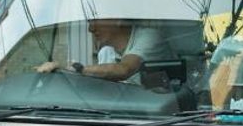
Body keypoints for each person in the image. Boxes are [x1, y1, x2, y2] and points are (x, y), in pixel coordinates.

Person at [37, 18, 175, 84]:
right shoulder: (106, 52)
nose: (91, 29)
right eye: (89, 22)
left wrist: (75, 68)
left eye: (95, 20)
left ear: (118, 19)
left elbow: (124, 70)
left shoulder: (150, 37)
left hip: (164, 118)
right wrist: (59, 70)